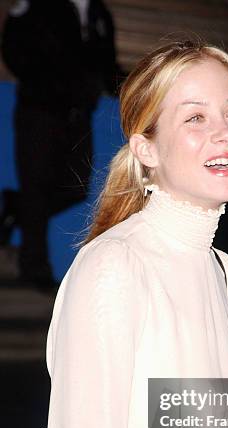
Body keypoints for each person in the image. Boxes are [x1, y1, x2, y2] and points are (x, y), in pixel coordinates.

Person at [2, 40, 228, 428]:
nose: (226, 132)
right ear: (147, 148)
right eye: (194, 117)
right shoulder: (116, 264)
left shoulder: (219, 271)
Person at [1, 0, 119, 289]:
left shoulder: (99, 13)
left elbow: (107, 66)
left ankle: (17, 207)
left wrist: (135, 85)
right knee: (36, 186)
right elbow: (14, 48)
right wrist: (44, 84)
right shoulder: (38, 6)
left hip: (78, 116)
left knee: (76, 188)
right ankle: (35, 269)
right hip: (39, 112)